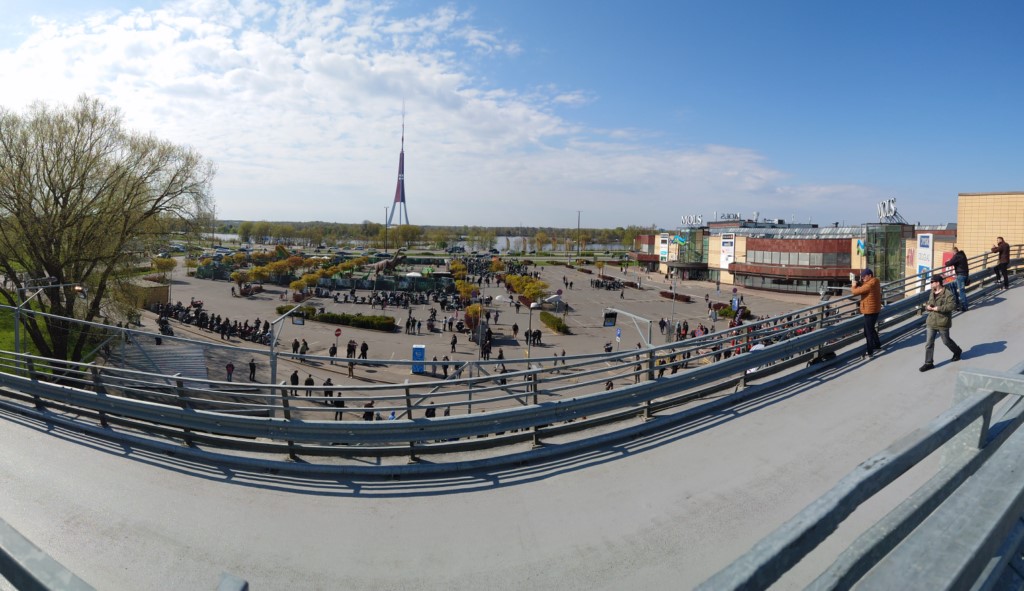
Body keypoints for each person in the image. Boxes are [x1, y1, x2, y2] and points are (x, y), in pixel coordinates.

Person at [920, 275, 963, 372]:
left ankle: (957, 351)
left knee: (946, 341)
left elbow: (952, 306)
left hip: (943, 322)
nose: (931, 284)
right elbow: (929, 303)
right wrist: (927, 307)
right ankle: (928, 363)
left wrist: (938, 308)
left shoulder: (948, 293)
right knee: (929, 343)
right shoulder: (932, 292)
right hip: (931, 321)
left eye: (932, 282)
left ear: (938, 283)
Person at [851, 268, 883, 358]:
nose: (862, 278)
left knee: (868, 332)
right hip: (874, 309)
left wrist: (854, 285)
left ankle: (870, 352)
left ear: (870, 276)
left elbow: (855, 292)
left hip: (870, 311)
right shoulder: (875, 281)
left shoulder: (869, 285)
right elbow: (865, 286)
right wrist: (860, 284)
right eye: (862, 277)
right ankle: (877, 345)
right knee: (870, 329)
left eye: (864, 276)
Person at [947, 246, 970, 311]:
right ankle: (957, 303)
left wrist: (947, 262)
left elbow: (950, 263)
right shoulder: (962, 255)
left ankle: (964, 307)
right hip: (965, 275)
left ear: (954, 252)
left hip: (961, 276)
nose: (952, 254)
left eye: (952, 253)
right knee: (952, 285)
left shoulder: (957, 256)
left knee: (961, 291)